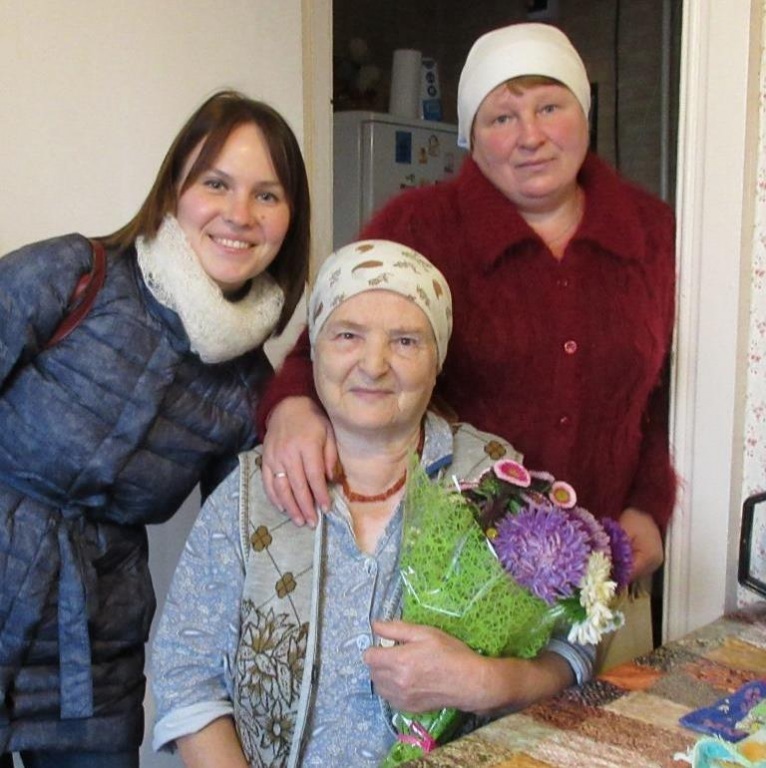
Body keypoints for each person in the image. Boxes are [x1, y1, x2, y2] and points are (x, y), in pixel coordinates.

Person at [258, 23, 676, 586]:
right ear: (471, 139)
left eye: (550, 107)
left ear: (584, 113)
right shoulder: (417, 227)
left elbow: (660, 397)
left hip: (601, 570)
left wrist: (649, 506)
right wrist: (291, 409)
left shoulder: (654, 232)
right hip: (452, 568)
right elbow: (325, 349)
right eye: (501, 118)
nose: (530, 136)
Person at [150, 239, 595, 768]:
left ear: (437, 360)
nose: (374, 364)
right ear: (316, 350)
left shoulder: (497, 481)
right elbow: (186, 672)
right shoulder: (253, 492)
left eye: (406, 341)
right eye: (348, 335)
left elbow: (579, 642)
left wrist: (488, 682)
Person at [0, 90, 309, 768]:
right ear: (174, 191)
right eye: (216, 183)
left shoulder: (249, 389)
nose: (239, 214)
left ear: (291, 220)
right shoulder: (73, 275)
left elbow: (239, 552)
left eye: (267, 195)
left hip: (95, 665)